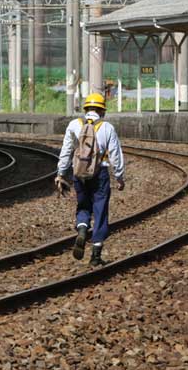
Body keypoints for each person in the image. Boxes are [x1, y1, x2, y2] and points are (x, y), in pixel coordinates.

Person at [55, 92, 125, 266]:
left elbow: (66, 152)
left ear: (86, 108)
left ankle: (82, 228)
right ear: (102, 111)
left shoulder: (74, 125)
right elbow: (115, 155)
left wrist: (61, 173)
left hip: (79, 173)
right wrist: (119, 177)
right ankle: (95, 255)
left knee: (83, 205)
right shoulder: (107, 128)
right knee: (100, 210)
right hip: (99, 174)